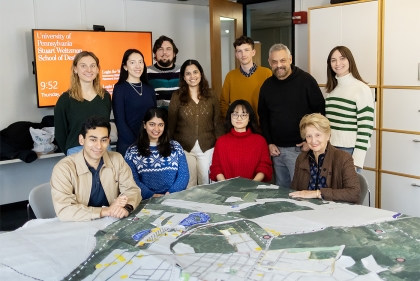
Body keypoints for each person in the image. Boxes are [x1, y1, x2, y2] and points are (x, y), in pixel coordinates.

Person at [258, 43, 325, 189]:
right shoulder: (267, 86)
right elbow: (263, 116)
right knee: (281, 190)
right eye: (274, 62)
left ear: (290, 59)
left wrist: (311, 141)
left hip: (301, 149)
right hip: (277, 150)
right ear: (269, 62)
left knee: (302, 190)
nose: (279, 65)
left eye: (282, 60)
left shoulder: (306, 81)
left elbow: (320, 113)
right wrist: (269, 142)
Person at [51, 116, 141, 222]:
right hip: (78, 224)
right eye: (93, 139)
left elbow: (132, 190)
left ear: (109, 141)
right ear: (81, 140)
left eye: (103, 140)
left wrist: (126, 208)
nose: (99, 146)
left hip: (111, 222)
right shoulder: (64, 168)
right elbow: (65, 210)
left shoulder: (117, 159)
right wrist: (106, 211)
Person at [168, 59, 224, 187]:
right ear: (183, 77)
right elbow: (171, 125)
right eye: (188, 73)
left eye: (195, 72)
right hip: (184, 148)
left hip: (207, 147)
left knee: (206, 182)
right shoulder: (177, 96)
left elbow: (217, 122)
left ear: (201, 74)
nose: (192, 76)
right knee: (189, 183)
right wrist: (169, 147)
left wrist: (221, 146)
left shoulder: (211, 95)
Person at [289, 113, 360, 203]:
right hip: (306, 210)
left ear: (328, 135)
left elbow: (354, 193)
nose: (313, 141)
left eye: (318, 135)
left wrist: (317, 193)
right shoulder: (301, 158)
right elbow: (294, 191)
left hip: (336, 212)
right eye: (309, 136)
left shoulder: (343, 158)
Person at [325, 46, 374, 171]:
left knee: (349, 190)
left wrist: (358, 158)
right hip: (331, 148)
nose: (338, 63)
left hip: (349, 150)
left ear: (350, 60)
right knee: (333, 189)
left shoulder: (361, 89)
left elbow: (366, 126)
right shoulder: (332, 90)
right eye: (333, 60)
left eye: (342, 58)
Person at [124, 108, 189, 200]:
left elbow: (184, 175)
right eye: (152, 124)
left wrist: (170, 194)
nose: (156, 129)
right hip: (144, 200)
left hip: (173, 198)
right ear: (144, 125)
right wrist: (151, 195)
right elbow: (132, 180)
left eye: (160, 125)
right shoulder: (132, 152)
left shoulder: (176, 147)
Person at [54, 51, 111, 155]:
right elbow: (60, 134)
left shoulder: (105, 96)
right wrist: (70, 152)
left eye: (93, 66)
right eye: (83, 66)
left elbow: (106, 127)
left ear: (98, 69)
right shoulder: (65, 100)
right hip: (77, 150)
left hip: (103, 149)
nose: (89, 70)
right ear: (75, 69)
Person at [210, 100, 272, 182]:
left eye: (243, 114)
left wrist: (251, 185)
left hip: (253, 189)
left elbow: (264, 167)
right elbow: (216, 167)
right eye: (235, 114)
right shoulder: (221, 141)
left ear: (249, 118)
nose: (239, 118)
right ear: (230, 116)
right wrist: (225, 185)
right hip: (226, 189)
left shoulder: (260, 141)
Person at [113, 49, 157, 155]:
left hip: (149, 142)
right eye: (132, 62)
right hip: (129, 144)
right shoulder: (120, 89)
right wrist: (137, 143)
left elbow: (154, 117)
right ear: (125, 66)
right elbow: (120, 121)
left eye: (140, 62)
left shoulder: (149, 88)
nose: (138, 66)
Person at [220, 36, 272, 121]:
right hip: (238, 126)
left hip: (261, 126)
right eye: (239, 51)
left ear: (253, 52)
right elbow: (223, 103)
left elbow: (272, 101)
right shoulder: (230, 76)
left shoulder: (267, 73)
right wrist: (232, 120)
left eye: (246, 50)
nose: (243, 54)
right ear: (236, 54)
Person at [147, 35, 180, 110]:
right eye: (160, 49)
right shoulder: (145, 72)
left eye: (168, 49)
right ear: (155, 53)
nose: (164, 52)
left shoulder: (184, 71)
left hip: (179, 119)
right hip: (156, 119)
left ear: (174, 53)